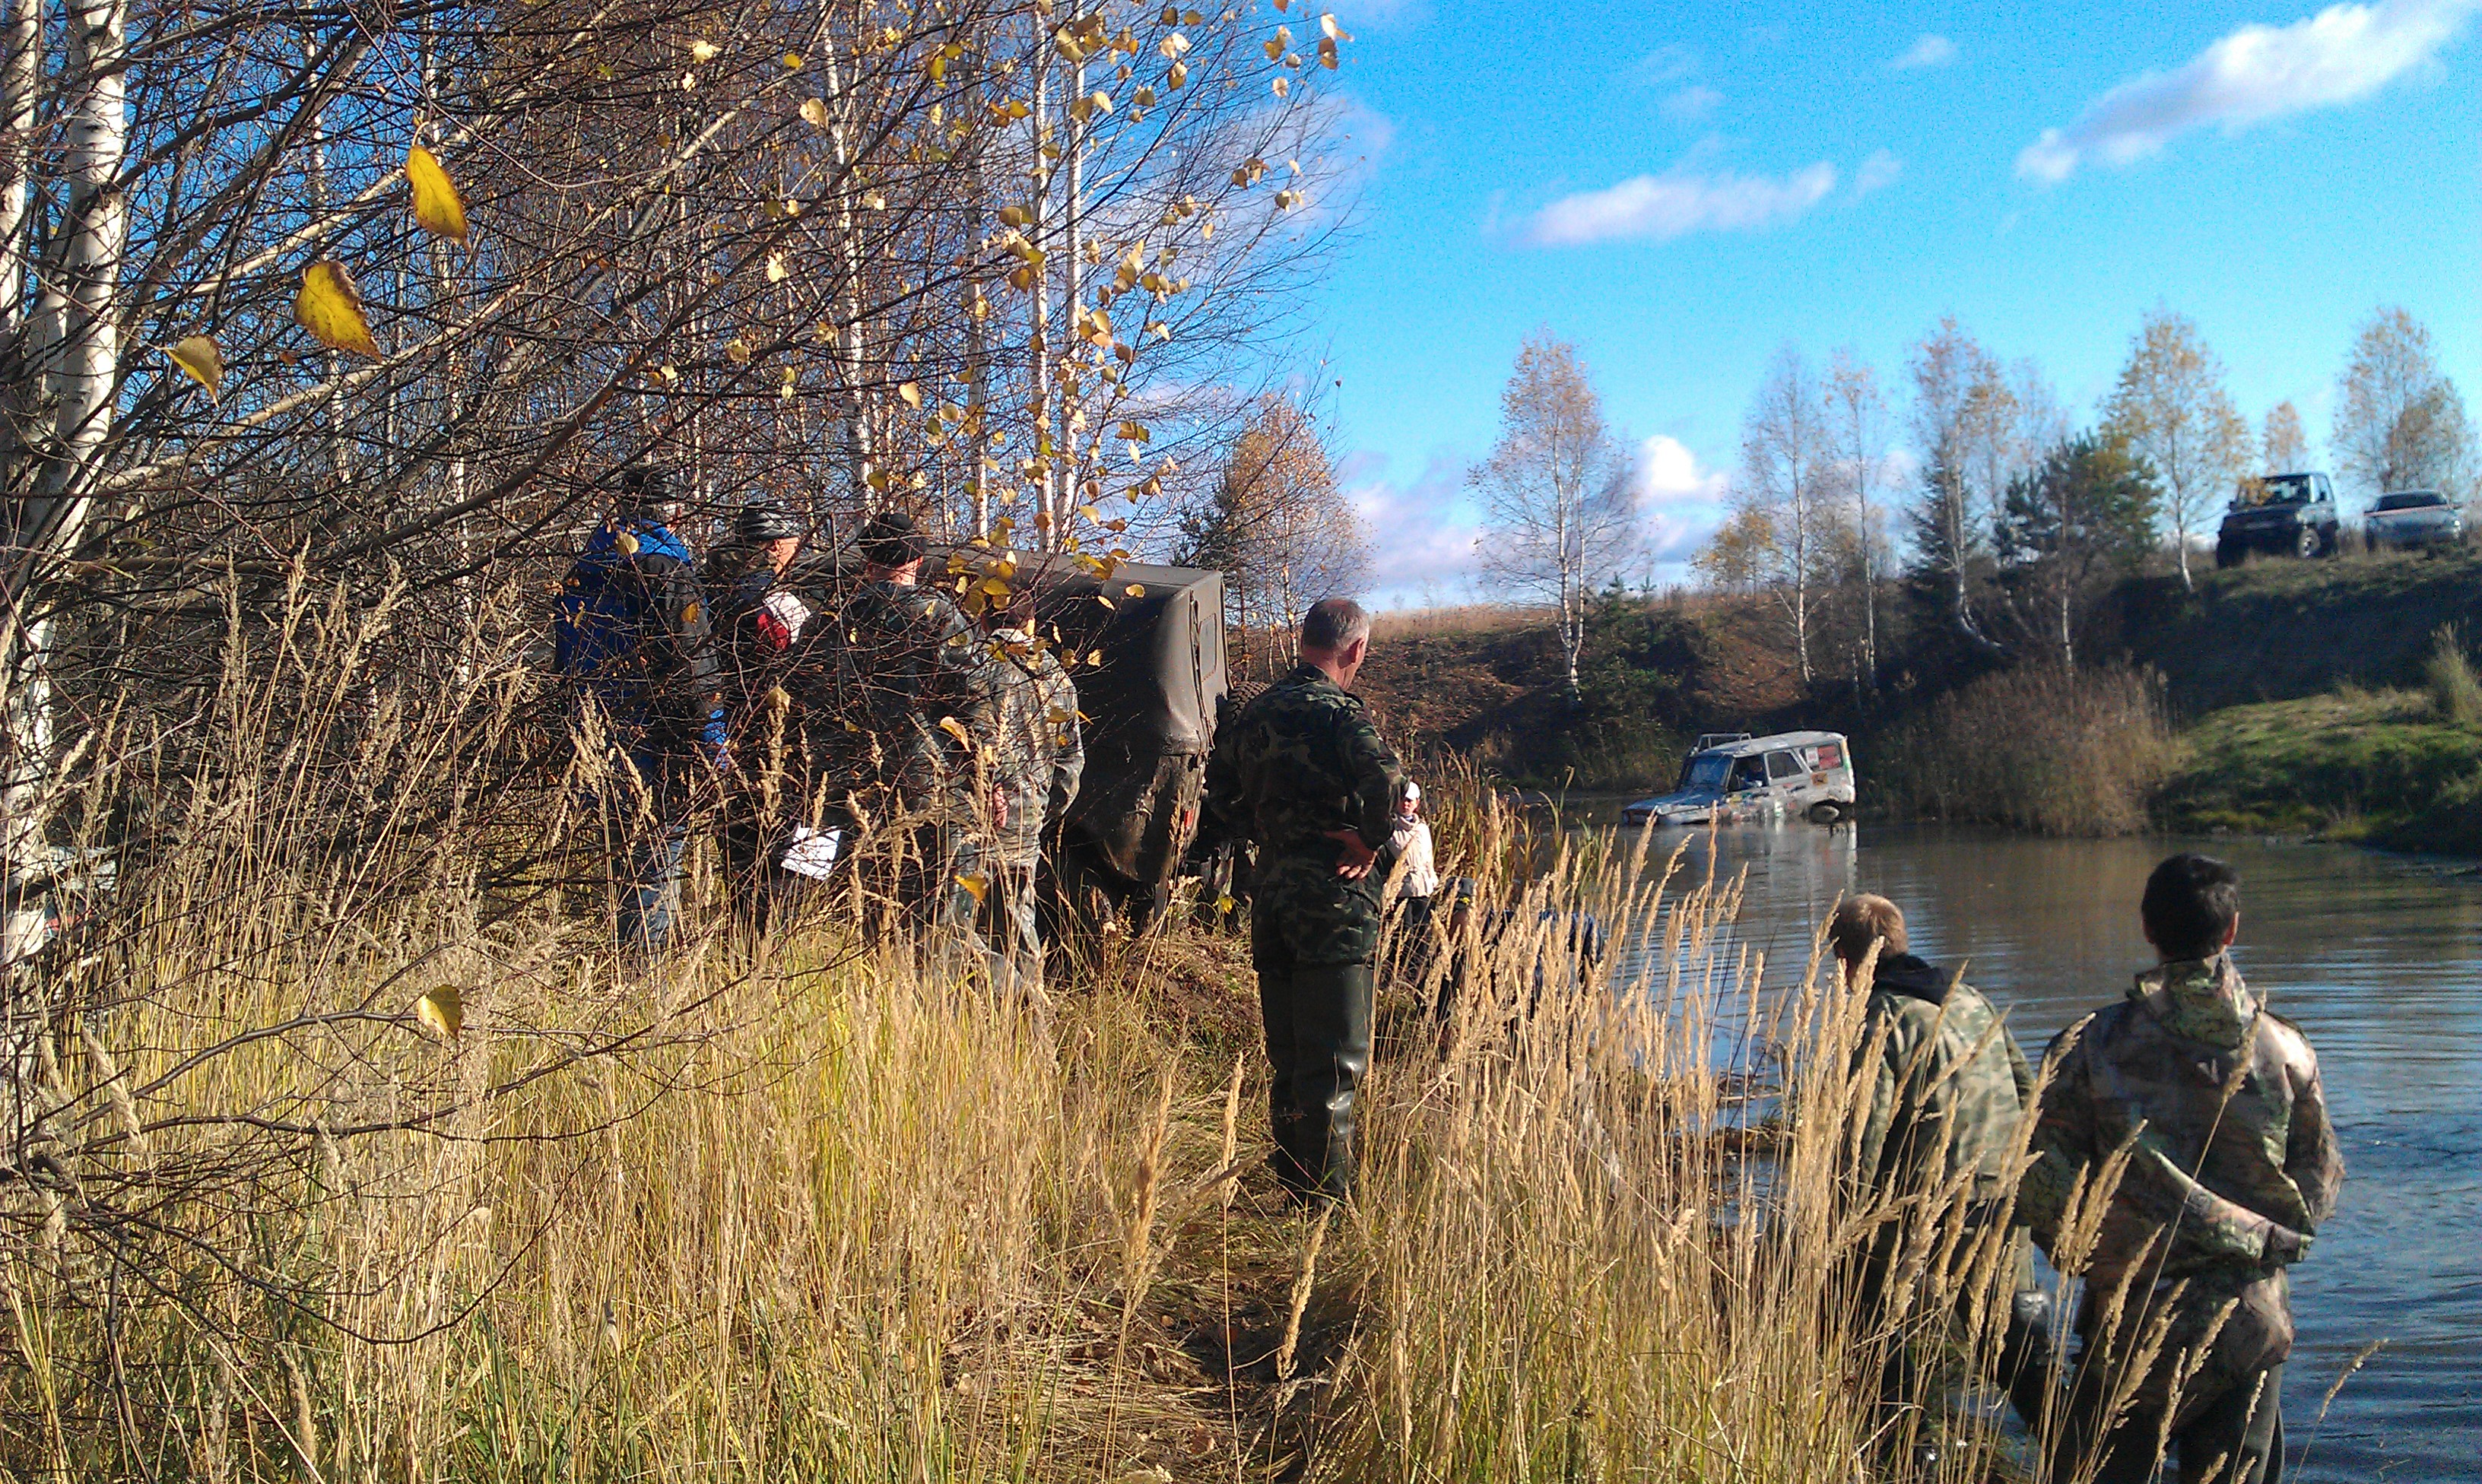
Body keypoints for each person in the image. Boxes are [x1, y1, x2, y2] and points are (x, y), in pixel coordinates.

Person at [2018, 854, 2344, 1484]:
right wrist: (2262, 1243)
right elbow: (2320, 1183)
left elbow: (2042, 1186)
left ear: (2147, 927)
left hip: (2131, 1317)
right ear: (2232, 930)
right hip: (2250, 1318)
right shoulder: (2285, 1047)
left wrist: (2090, 1258)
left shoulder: (2090, 1045)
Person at [1826, 895, 2051, 1451]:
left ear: (1845, 961)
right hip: (2001, 1195)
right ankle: (2072, 1443)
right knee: (2013, 1341)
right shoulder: (1969, 999)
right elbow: (2029, 1093)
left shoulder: (1880, 1019)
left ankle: (1909, 1447)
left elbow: (1862, 1138)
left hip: (1927, 1205)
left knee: (1877, 1322)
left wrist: (1839, 1227)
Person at [1203, 597, 1405, 1201]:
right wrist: (1368, 840)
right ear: (1356, 649)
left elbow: (1219, 791)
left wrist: (1271, 838)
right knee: (1335, 1065)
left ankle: (1293, 1189)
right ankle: (1325, 1208)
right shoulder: (1340, 714)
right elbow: (1388, 782)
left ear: (1304, 640)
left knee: (1289, 1058)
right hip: (1335, 903)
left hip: (1274, 898)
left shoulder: (1256, 714)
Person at [791, 509, 1003, 958]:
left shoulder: (828, 619)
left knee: (812, 894)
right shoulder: (939, 615)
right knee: (930, 911)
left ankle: (811, 964)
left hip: (830, 782)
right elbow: (972, 700)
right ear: (917, 561)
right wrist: (990, 778)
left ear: (867, 561)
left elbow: (794, 691)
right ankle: (914, 988)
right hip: (921, 784)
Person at [551, 461, 725, 951]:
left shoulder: (583, 572)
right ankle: (643, 979)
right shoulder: (665, 569)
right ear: (673, 511)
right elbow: (694, 668)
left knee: (620, 861)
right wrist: (714, 745)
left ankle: (618, 969)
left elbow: (566, 660)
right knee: (654, 864)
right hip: (656, 738)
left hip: (594, 735)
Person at [703, 498, 813, 929]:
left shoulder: (703, 589)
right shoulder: (776, 603)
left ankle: (744, 931)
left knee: (740, 847)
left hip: (725, 735)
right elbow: (808, 673)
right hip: (779, 740)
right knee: (803, 840)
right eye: (793, 542)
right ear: (774, 545)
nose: (797, 551)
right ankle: (784, 933)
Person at [985, 588, 1084, 1027]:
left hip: (971, 820)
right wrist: (1041, 810)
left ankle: (978, 1026)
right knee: (1018, 930)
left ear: (983, 619)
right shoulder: (1057, 680)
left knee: (954, 928)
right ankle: (1029, 1035)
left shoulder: (974, 665)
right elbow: (1070, 765)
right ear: (1031, 623)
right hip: (1024, 825)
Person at [1384, 779, 1439, 986]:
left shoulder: (1423, 829)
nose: (1405, 804)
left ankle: (1416, 979)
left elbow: (1428, 860)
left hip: (1424, 891)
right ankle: (1393, 980)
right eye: (1402, 800)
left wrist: (1433, 883)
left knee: (1422, 939)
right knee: (1401, 938)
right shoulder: (1388, 829)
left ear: (1417, 803)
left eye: (1409, 800)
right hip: (1401, 893)